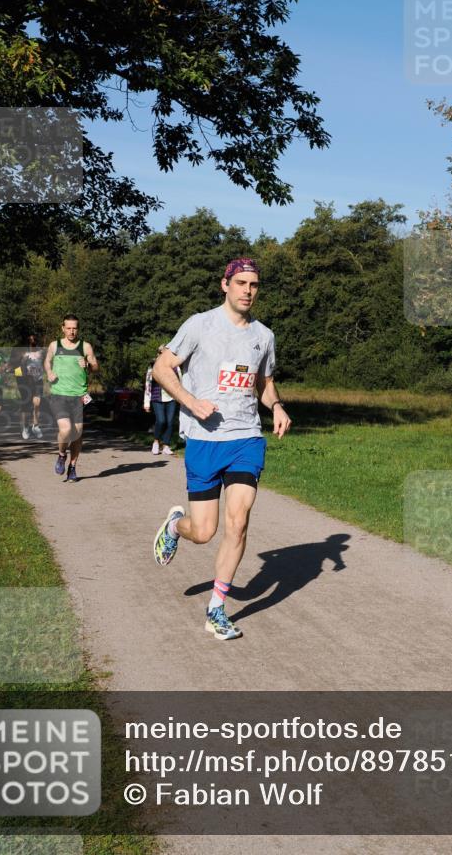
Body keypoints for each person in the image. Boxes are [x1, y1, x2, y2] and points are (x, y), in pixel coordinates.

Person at [152, 257, 291, 641]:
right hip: (204, 439)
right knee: (204, 531)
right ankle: (176, 527)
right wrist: (190, 401)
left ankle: (217, 608)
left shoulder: (264, 335)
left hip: (245, 437)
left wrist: (277, 406)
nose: (249, 290)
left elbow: (264, 382)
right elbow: (162, 369)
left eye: (255, 284)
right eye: (242, 283)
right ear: (225, 285)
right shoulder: (200, 325)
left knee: (239, 520)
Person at [44, 315, 98, 482]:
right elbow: (47, 361)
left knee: (77, 434)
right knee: (66, 430)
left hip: (79, 397)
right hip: (59, 394)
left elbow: (96, 367)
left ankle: (72, 466)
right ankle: (61, 455)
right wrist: (49, 372)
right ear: (63, 328)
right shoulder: (55, 345)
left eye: (74, 328)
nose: (71, 331)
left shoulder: (85, 346)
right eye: (68, 328)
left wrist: (88, 365)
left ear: (78, 329)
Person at [143, 346, 180, 455]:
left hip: (171, 398)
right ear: (158, 354)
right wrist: (146, 402)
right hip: (157, 397)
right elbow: (148, 385)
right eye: (161, 352)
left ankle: (166, 446)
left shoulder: (175, 367)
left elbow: (180, 383)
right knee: (161, 420)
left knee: (170, 422)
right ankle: (156, 442)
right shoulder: (152, 367)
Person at [17, 334, 46, 440]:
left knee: (37, 403)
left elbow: (46, 363)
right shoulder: (23, 352)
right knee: (26, 405)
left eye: (34, 341)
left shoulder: (41, 352)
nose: (32, 343)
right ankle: (25, 427)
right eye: (30, 341)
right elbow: (18, 367)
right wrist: (23, 360)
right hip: (26, 381)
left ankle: (36, 426)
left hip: (38, 380)